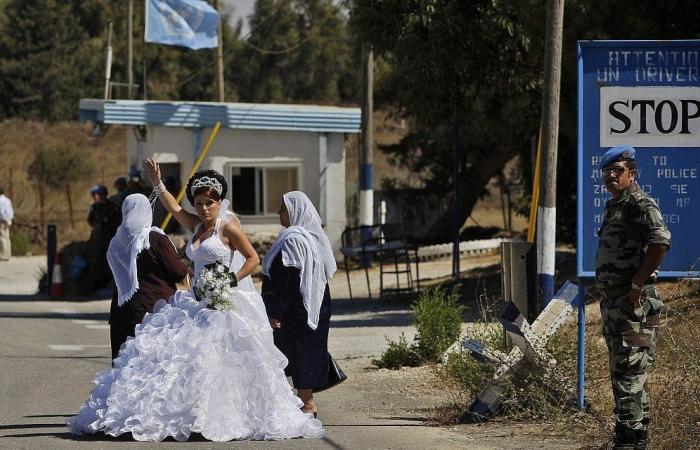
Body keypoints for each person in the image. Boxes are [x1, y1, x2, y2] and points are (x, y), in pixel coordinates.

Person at [67, 160, 323, 442]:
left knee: (223, 359)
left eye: (209, 203)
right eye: (199, 203)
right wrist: (157, 183)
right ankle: (190, 415)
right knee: (183, 357)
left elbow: (253, 258)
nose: (203, 208)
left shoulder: (227, 227)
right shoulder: (196, 225)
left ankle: (229, 415)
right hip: (198, 299)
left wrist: (230, 280)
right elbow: (175, 209)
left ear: (219, 202)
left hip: (226, 303)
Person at [595, 145, 670, 450]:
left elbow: (660, 241)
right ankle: (636, 437)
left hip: (634, 305)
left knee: (630, 372)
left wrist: (638, 282)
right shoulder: (615, 206)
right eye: (606, 173)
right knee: (626, 373)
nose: (610, 177)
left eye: (617, 171)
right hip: (615, 304)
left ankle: (629, 440)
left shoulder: (641, 204)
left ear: (632, 174)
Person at [261, 191, 337, 417]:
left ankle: (308, 405)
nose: (279, 213)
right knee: (299, 353)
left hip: (296, 311)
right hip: (309, 306)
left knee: (295, 354)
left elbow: (290, 279)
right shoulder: (309, 237)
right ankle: (300, 403)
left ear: (296, 212)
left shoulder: (295, 239)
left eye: (283, 209)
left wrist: (276, 313)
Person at [107, 193, 189, 361]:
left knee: (123, 366)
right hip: (154, 310)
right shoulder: (154, 238)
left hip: (121, 311)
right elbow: (178, 272)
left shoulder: (117, 240)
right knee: (149, 367)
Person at [87, 184, 121, 289]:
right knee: (97, 261)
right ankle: (98, 284)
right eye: (98, 194)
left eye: (101, 194)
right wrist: (97, 226)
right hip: (98, 239)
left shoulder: (113, 206)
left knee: (110, 261)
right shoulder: (95, 207)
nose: (99, 197)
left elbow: (118, 220)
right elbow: (90, 220)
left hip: (110, 238)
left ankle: (110, 283)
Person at [0, 187, 14, 261]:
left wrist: (4, 219)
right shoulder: (7, 200)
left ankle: (3, 255)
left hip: (2, 220)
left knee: (2, 238)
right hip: (8, 219)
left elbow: (1, 212)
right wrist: (9, 220)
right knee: (7, 237)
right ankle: (8, 254)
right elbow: (11, 210)